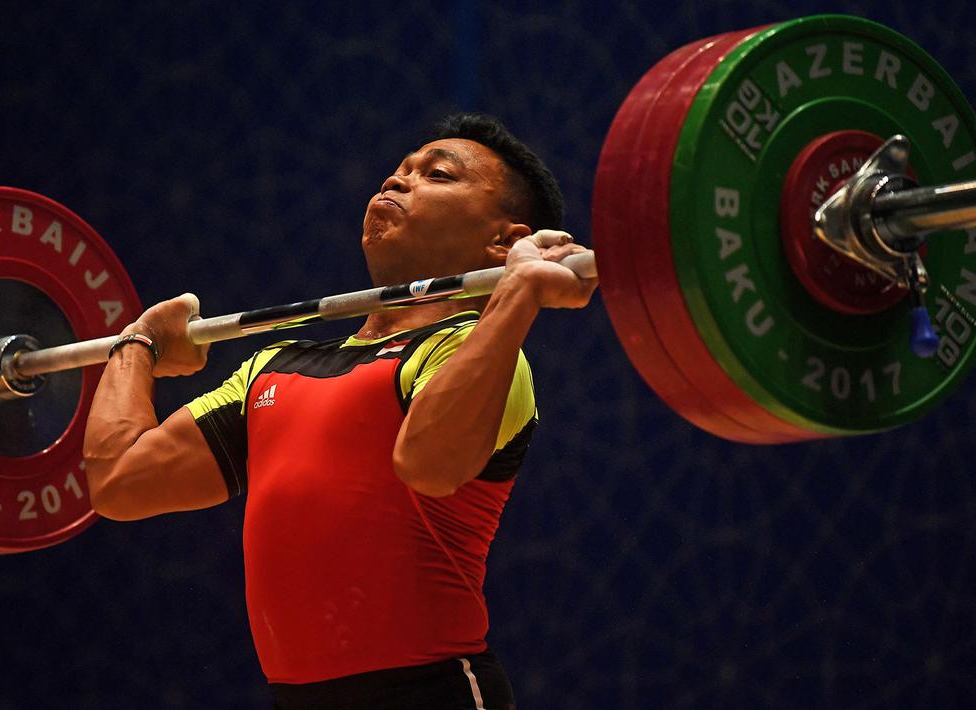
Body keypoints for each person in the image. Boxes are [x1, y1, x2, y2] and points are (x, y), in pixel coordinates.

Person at [83, 113, 597, 709]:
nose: (396, 181)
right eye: (399, 169)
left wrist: (518, 292)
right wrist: (138, 344)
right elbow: (119, 481)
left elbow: (428, 465)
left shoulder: (471, 353)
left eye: (435, 174)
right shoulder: (275, 365)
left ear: (504, 242)